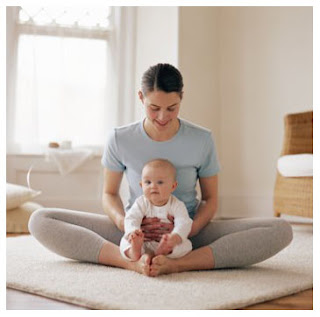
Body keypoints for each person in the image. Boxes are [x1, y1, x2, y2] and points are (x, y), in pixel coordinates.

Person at [29, 63, 293, 277]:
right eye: (154, 108)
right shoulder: (120, 138)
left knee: (281, 229)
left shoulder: (201, 139)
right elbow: (109, 194)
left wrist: (183, 234)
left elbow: (211, 200)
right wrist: (128, 227)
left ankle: (179, 263)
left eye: (172, 108)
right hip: (133, 232)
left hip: (188, 232)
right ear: (141, 97)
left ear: (181, 98)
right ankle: (133, 263)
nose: (163, 117)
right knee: (40, 220)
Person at [120, 159, 193, 261]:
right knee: (124, 242)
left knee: (187, 245)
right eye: (148, 182)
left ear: (173, 186)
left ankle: (164, 251)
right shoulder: (141, 203)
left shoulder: (177, 205)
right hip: (143, 242)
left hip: (166, 243)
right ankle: (134, 251)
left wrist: (176, 237)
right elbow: (131, 218)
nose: (153, 186)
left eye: (160, 182)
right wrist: (133, 232)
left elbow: (184, 222)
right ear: (141, 185)